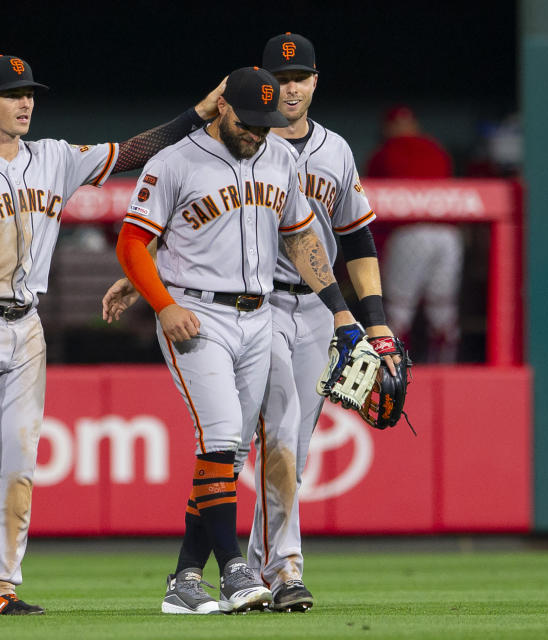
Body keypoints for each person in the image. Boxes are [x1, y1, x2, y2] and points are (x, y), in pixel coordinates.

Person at [0, 53, 223, 616]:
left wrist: (197, 113)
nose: (24, 103)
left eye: (30, 93)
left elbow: (131, 152)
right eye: (12, 93)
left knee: (19, 463)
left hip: (27, 324)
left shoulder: (55, 159)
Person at [103, 33, 401, 614]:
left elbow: (309, 235)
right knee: (226, 440)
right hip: (205, 312)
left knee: (265, 444)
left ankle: (213, 574)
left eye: (298, 81)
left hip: (275, 307)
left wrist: (353, 315)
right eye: (261, 107)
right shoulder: (179, 159)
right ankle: (238, 569)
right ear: (228, 104)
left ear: (316, 81)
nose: (266, 124)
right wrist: (157, 293)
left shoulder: (296, 154)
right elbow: (141, 238)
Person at [366, 104, 462, 363]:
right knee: (442, 310)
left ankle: (392, 369)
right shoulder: (436, 149)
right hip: (447, 235)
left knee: (399, 311)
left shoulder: (383, 153)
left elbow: (370, 209)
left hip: (410, 234)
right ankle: (446, 367)